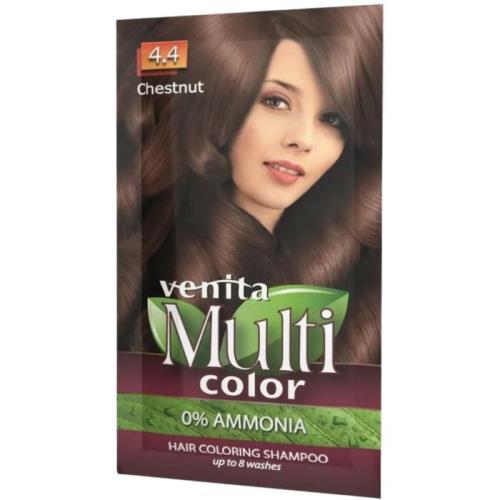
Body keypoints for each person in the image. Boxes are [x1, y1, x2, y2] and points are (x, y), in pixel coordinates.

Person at [117, 6, 382, 364]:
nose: (304, 139)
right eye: (276, 101)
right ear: (220, 101)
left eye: (332, 118)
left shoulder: (363, 286)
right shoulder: (142, 256)